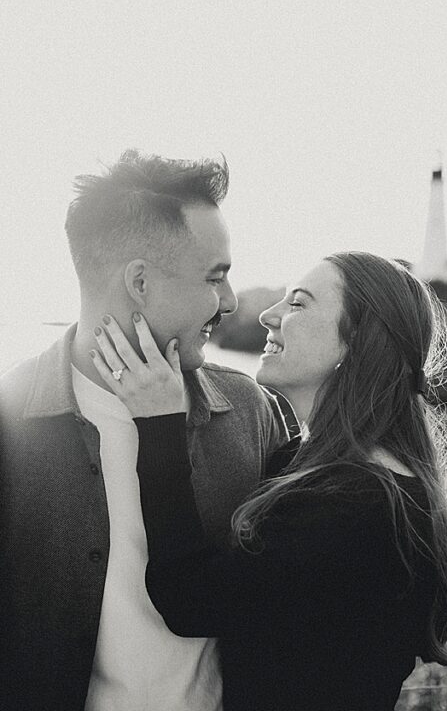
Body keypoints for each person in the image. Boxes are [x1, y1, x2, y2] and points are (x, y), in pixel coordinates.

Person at [89, 251, 447, 710]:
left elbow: (188, 600)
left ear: (355, 343)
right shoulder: (317, 465)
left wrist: (159, 426)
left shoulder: (360, 504)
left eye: (297, 304)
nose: (267, 315)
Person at [0, 150, 290, 710]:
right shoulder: (9, 427)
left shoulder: (252, 412)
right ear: (139, 281)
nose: (230, 301)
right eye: (216, 276)